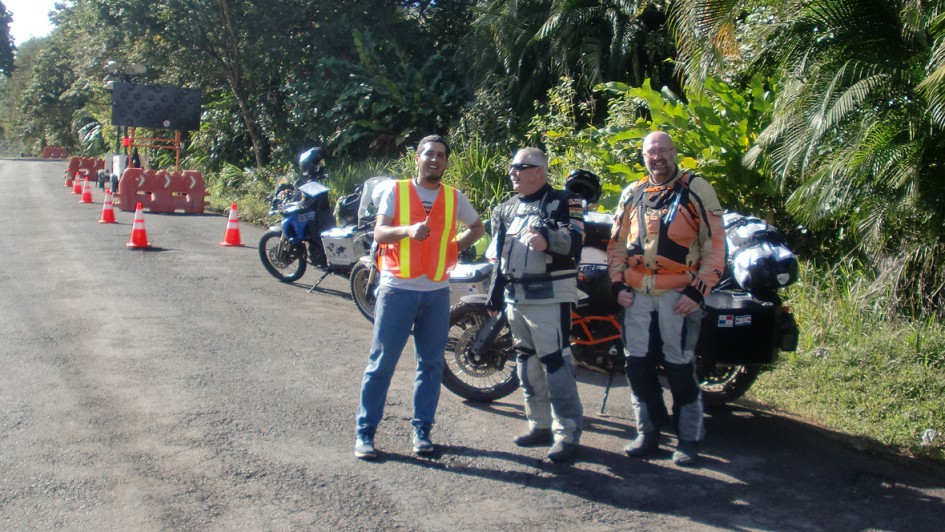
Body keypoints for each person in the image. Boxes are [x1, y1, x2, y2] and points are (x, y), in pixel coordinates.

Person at [355, 135, 485, 460]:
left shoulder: (454, 197)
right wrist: (407, 230)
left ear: (446, 162)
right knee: (381, 364)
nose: (435, 160)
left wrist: (452, 248)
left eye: (441, 155)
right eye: (429, 154)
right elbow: (379, 233)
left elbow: (477, 228)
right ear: (417, 158)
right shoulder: (396, 191)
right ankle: (365, 433)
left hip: (436, 293)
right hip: (397, 289)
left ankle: (422, 431)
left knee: (431, 365)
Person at [607, 131, 725, 466]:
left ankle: (688, 437)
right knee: (637, 366)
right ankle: (648, 431)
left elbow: (715, 245)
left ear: (674, 153)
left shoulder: (696, 189)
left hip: (678, 294)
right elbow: (617, 243)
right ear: (643, 156)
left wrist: (698, 291)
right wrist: (617, 284)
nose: (656, 157)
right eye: (650, 152)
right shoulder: (634, 192)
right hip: (637, 294)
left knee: (680, 367)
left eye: (662, 150)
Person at [485, 148, 585, 463]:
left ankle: (567, 433)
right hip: (515, 297)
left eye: (520, 166)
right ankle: (539, 425)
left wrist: (548, 240)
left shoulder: (566, 200)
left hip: (550, 296)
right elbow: (499, 254)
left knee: (555, 364)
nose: (513, 172)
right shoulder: (505, 208)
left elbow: (576, 240)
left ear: (539, 171)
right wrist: (494, 294)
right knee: (526, 364)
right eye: (511, 166)